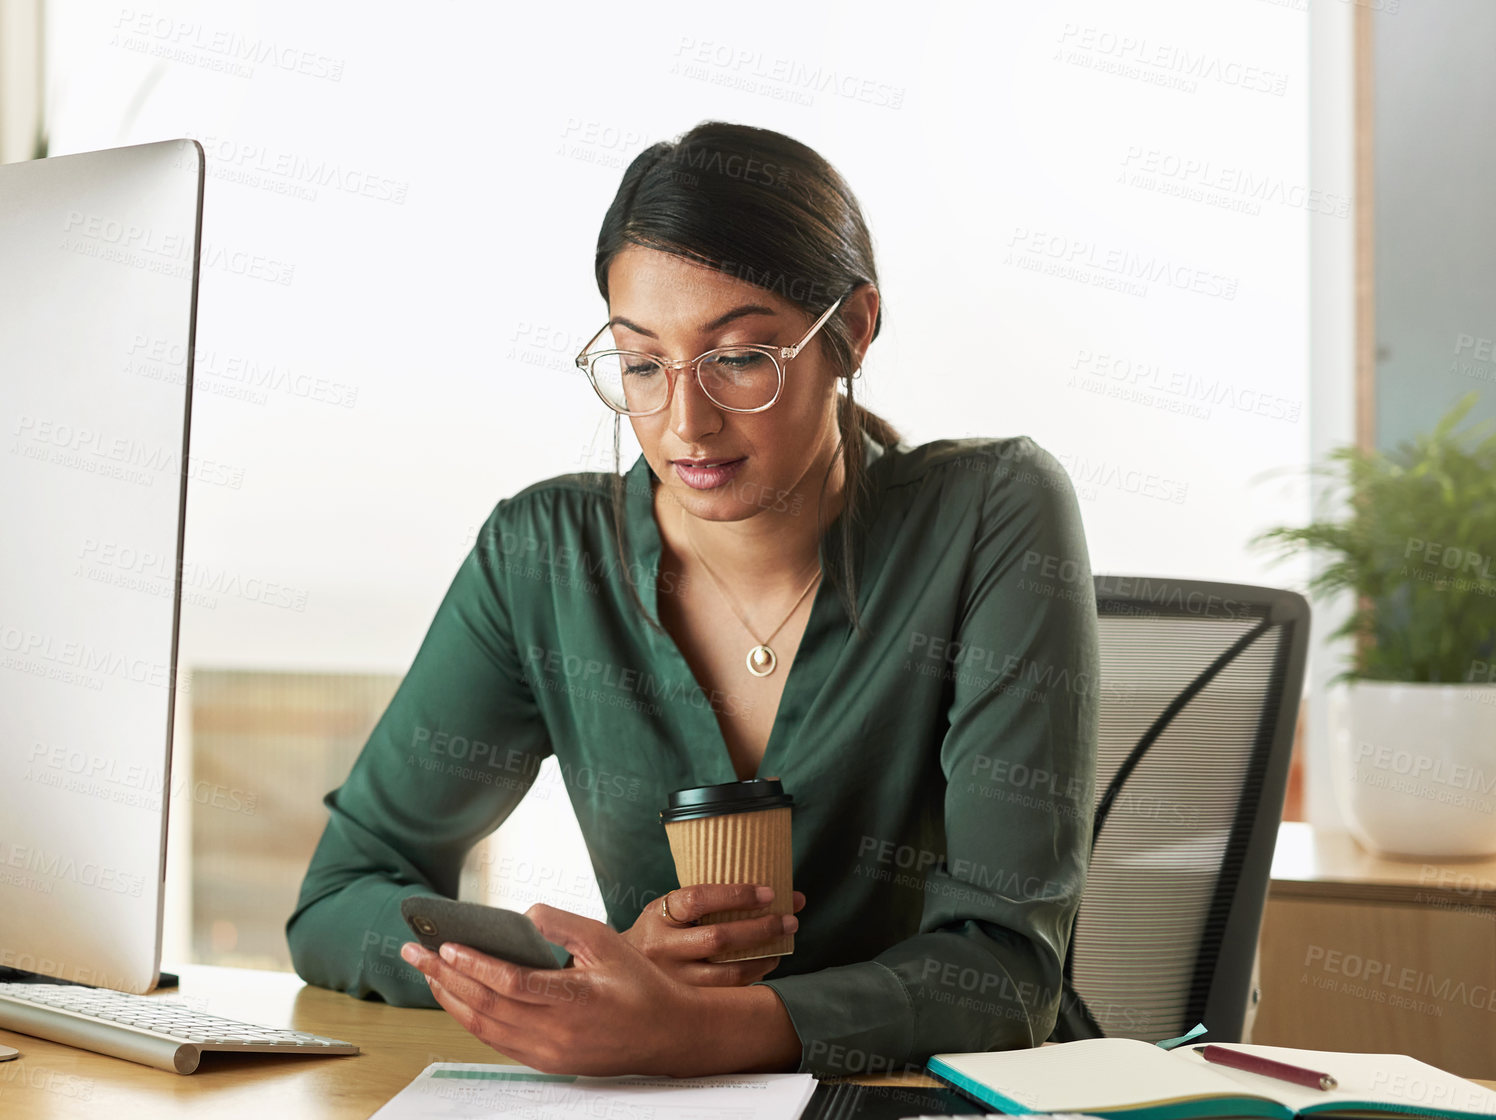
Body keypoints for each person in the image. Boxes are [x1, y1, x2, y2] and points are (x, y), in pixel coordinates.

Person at [286, 121, 1098, 1078]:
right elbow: (342, 895)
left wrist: (689, 1028)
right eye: (642, 364)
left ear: (853, 330)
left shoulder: (992, 516)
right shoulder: (544, 557)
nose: (685, 422)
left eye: (740, 358)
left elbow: (1004, 972)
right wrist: (592, 975)